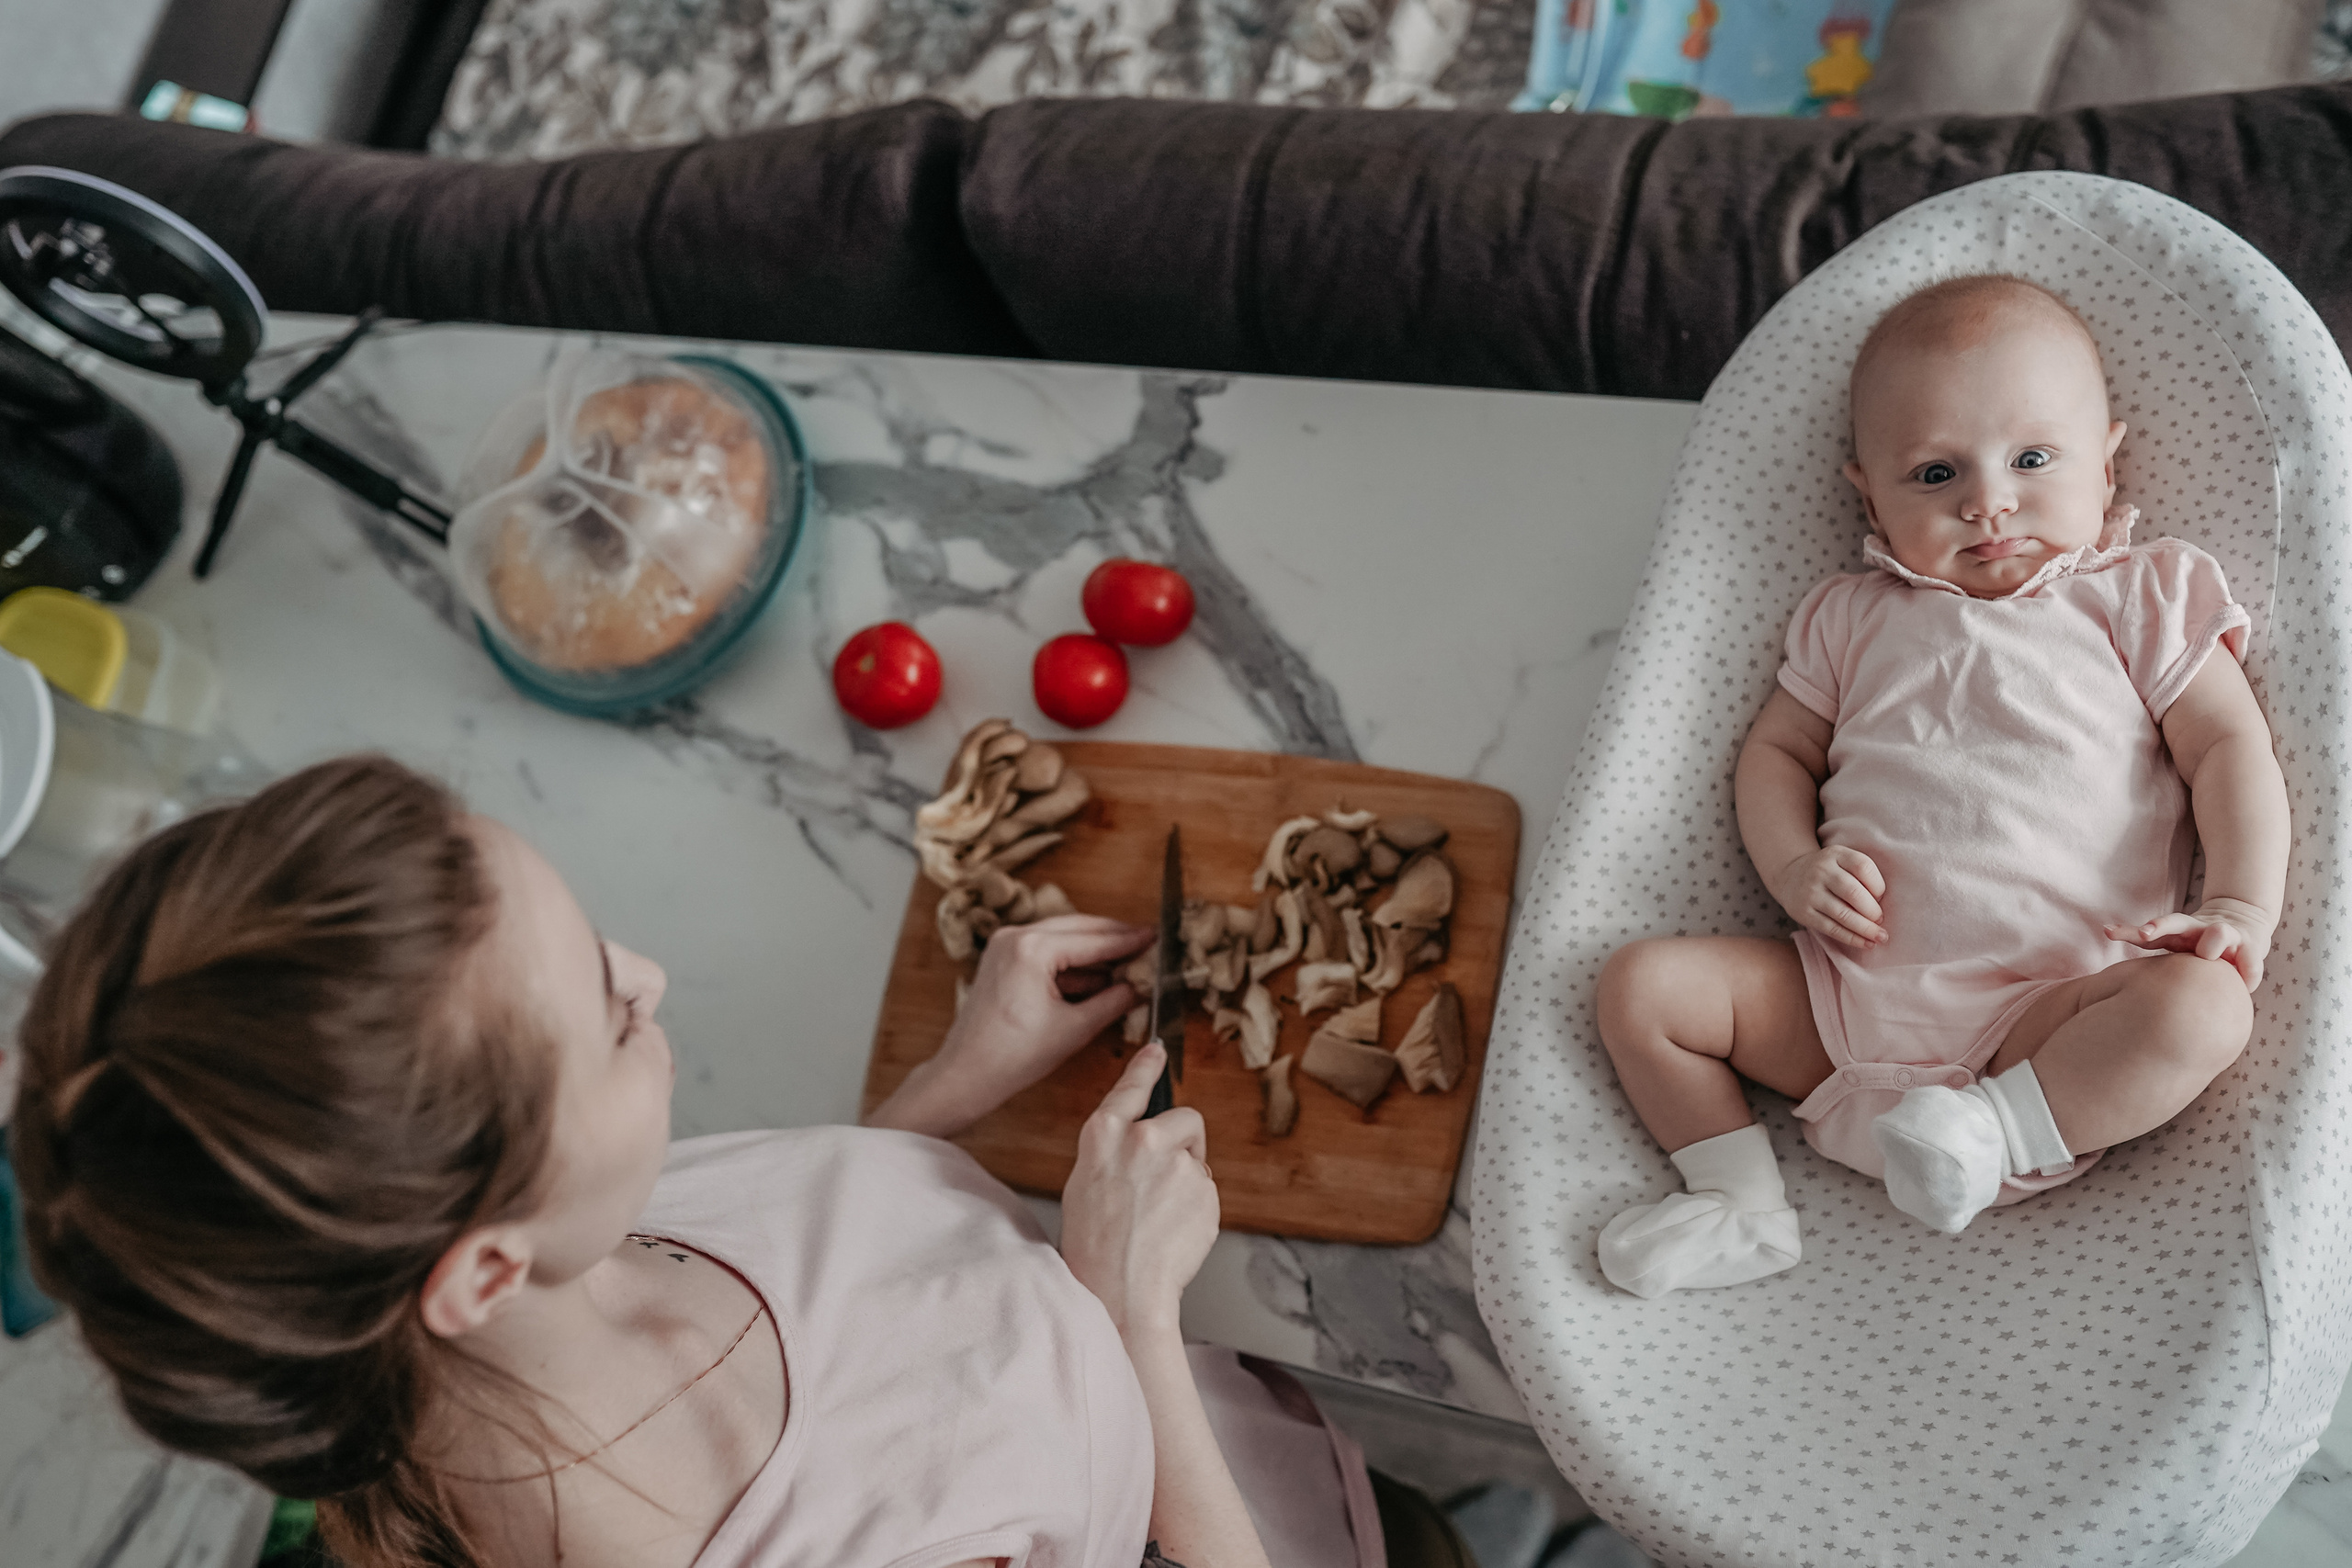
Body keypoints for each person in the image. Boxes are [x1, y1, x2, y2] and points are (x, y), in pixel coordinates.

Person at [10, 754, 1389, 1567]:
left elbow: (837, 1306)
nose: (650, 975)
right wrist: (1127, 1313)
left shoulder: (514, 1280)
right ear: (480, 1266)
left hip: (1255, 1431)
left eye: (596, 941)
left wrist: (950, 1085)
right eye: (607, 1016)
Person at [1589, 274, 2290, 1298]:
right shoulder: (1847, 616)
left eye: (2033, 459)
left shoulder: (2137, 595)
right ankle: (1736, 1201)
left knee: (2203, 1010)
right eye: (1934, 473)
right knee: (1641, 987)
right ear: (1866, 493)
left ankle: (1988, 1136)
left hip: (2041, 1027)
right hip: (1839, 1007)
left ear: (2107, 463)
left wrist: (2238, 906)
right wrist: (1793, 867)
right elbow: (1776, 755)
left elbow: (2230, 749)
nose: (1988, 501)